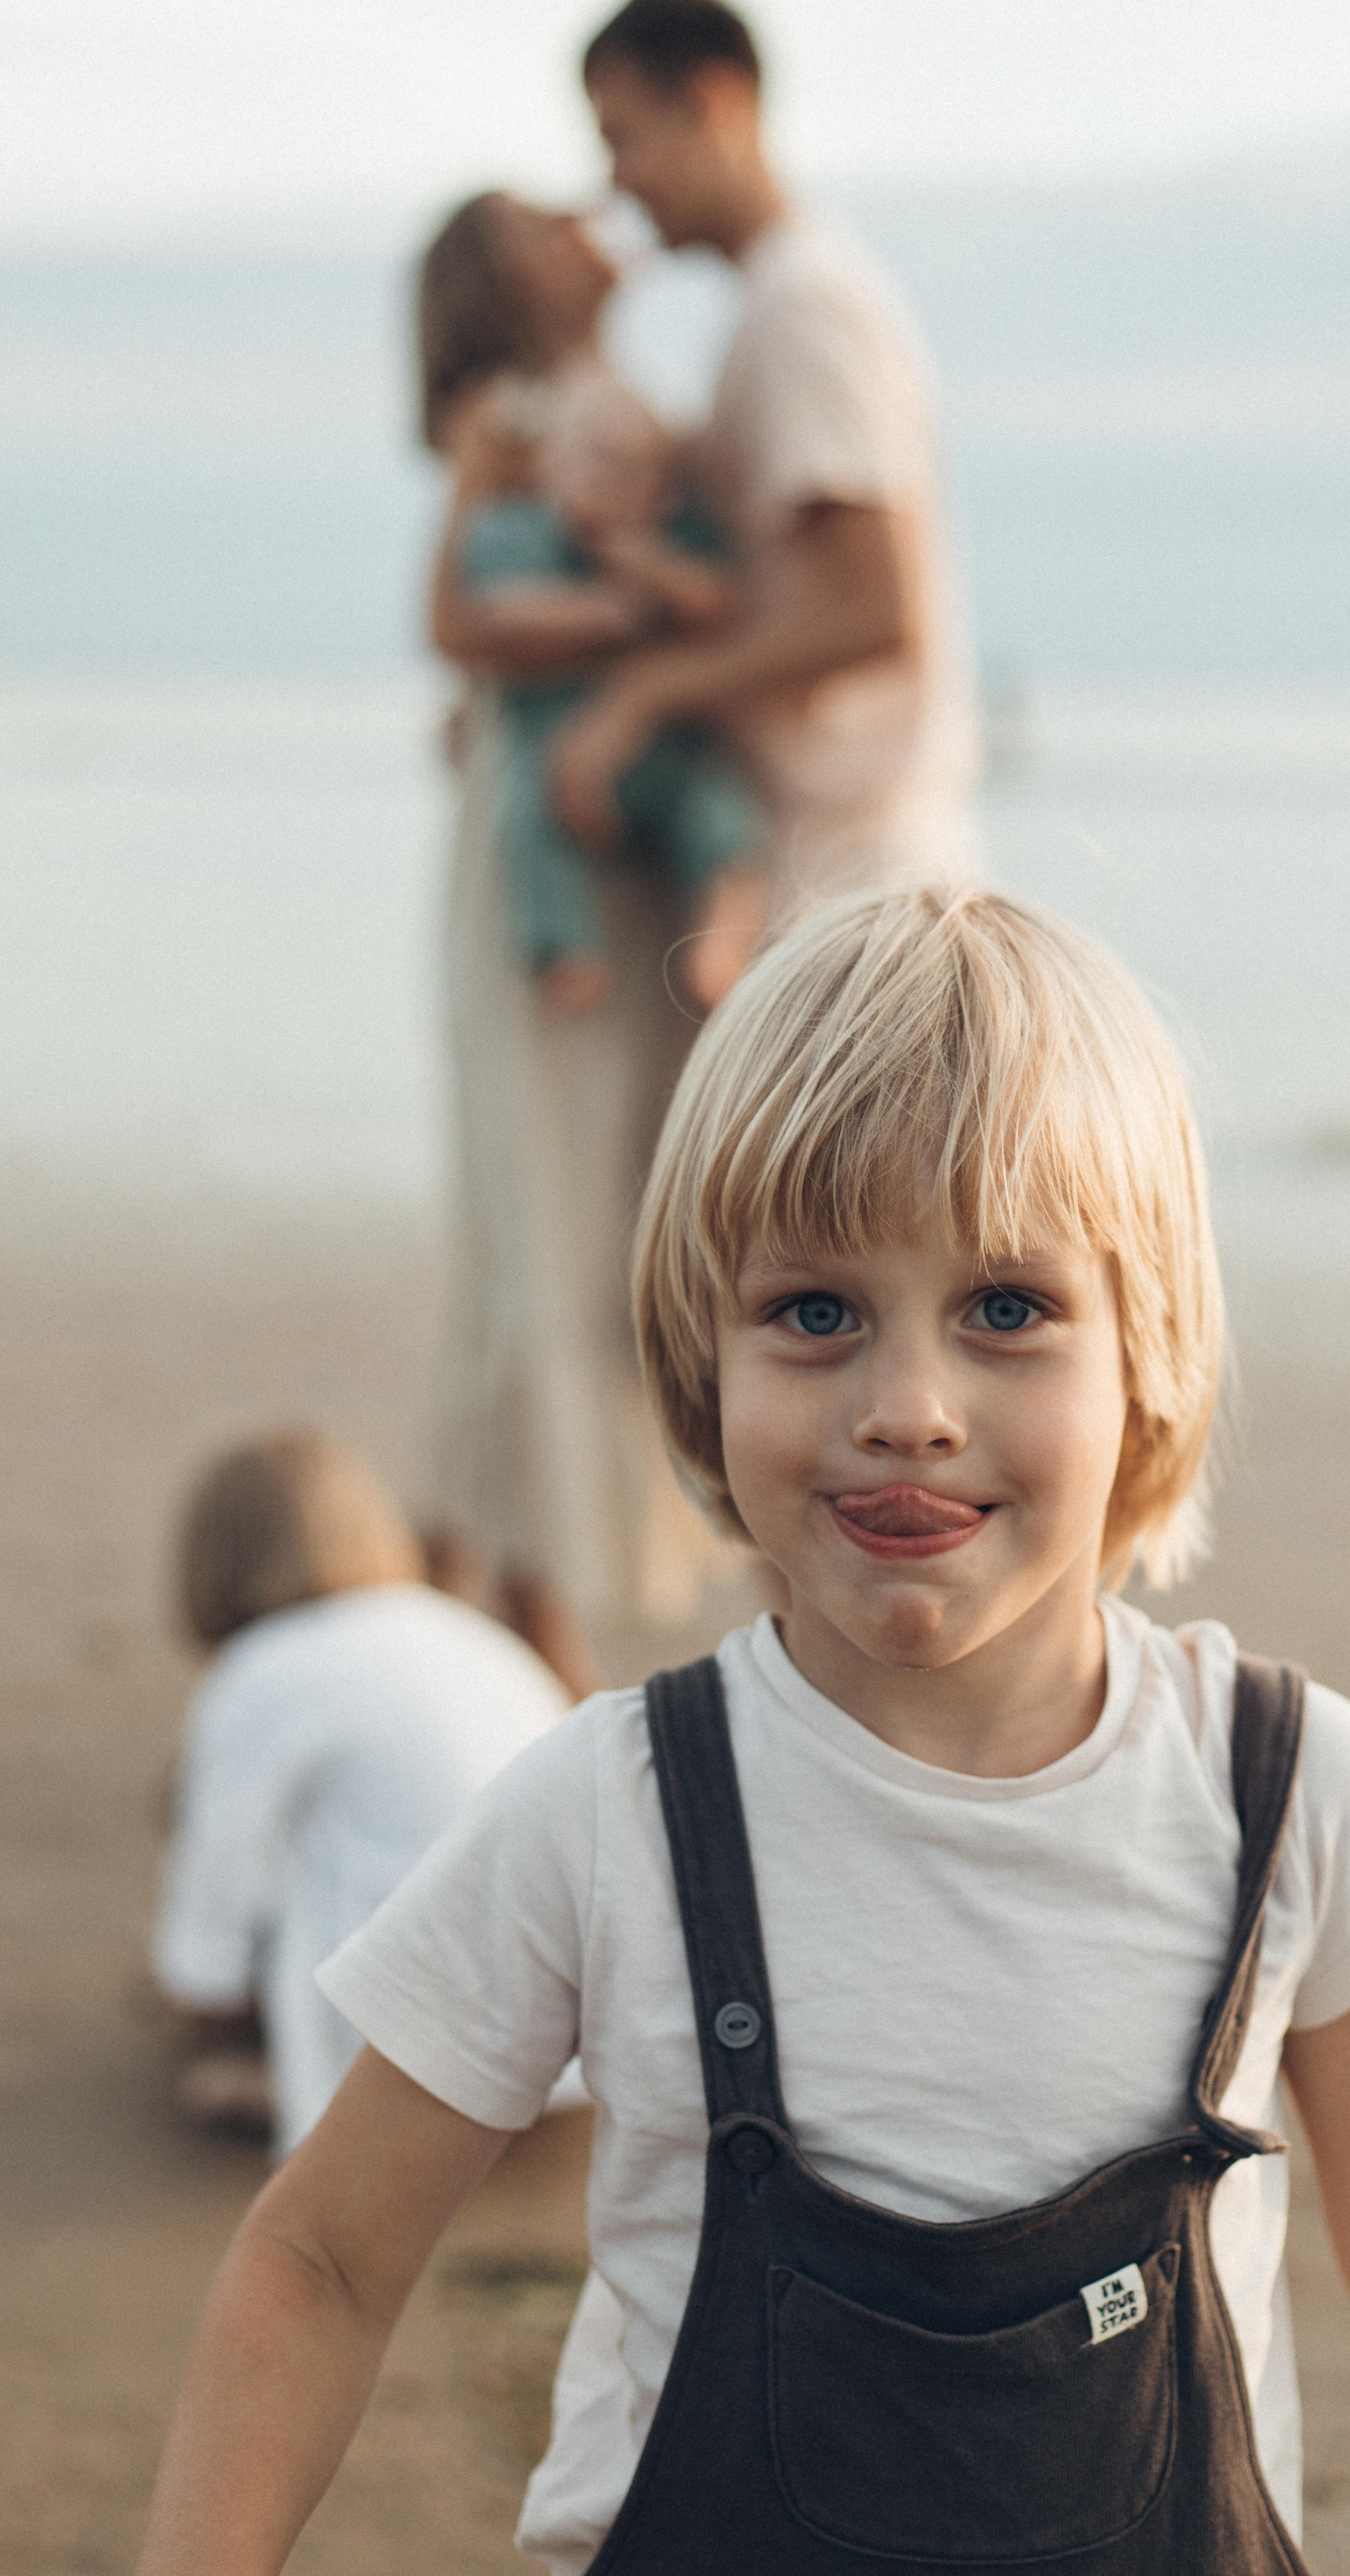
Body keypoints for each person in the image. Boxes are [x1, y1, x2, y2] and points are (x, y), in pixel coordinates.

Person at [111, 889, 1350, 2576]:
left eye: (1005, 1307)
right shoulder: (607, 1814)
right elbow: (322, 2259)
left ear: (1146, 1361)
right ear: (700, 1365)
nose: (906, 1402)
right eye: (814, 1311)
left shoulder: (1280, 1791)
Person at [422, 190, 755, 1691]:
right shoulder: (508, 416)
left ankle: (465, 1586)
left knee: (580, 1210)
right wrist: (634, 626)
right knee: (539, 1219)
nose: (589, 211)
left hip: (626, 841)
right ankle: (528, 1617)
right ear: (509, 274)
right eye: (544, 217)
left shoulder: (646, 412)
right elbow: (460, 621)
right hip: (541, 849)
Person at [553, 0, 982, 906]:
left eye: (623, 138)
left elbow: (879, 609)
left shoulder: (805, 307)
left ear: (711, 102)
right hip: (837, 858)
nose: (618, 184)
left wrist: (650, 694)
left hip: (859, 868)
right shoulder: (783, 299)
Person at [150, 1431, 569, 2161]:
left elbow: (214, 1907)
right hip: (577, 2033)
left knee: (251, 1824)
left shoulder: (260, 1668)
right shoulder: (459, 1630)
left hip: (441, 2057)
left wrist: (201, 1992)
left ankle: (310, 2080)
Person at [453, 283, 769, 1014]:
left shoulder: (663, 545)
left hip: (665, 756)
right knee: (528, 822)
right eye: (596, 464)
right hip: (556, 747)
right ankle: (564, 950)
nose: (615, 486)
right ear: (550, 469)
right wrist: (616, 613)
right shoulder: (520, 535)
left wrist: (641, 561)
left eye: (637, 472)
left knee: (720, 811)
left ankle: (722, 932)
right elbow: (499, 619)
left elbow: (719, 603)